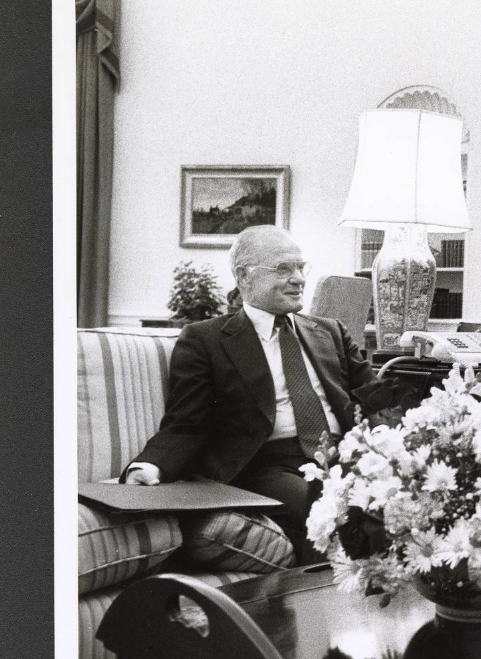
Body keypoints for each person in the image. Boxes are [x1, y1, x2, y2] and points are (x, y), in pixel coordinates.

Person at [124, 225, 373, 563]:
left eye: (301, 267)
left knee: (406, 498)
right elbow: (185, 424)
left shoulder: (330, 331)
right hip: (269, 464)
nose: (299, 278)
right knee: (332, 509)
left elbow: (374, 399)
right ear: (244, 276)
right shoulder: (205, 340)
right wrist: (149, 467)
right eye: (283, 269)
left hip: (345, 455)